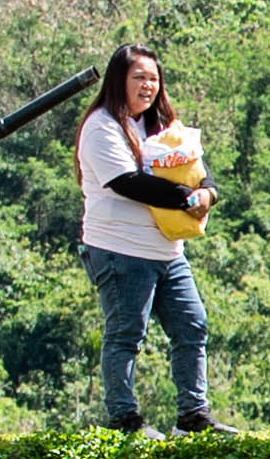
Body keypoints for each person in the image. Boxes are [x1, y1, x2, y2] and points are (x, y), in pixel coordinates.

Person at [72, 44, 216, 435]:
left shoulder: (159, 124)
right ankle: (125, 420)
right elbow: (127, 183)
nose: (148, 86)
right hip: (120, 248)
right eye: (139, 77)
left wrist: (208, 193)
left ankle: (193, 416)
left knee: (192, 325)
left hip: (168, 248)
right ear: (118, 80)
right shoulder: (101, 126)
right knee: (125, 333)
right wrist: (189, 199)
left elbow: (196, 167)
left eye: (154, 78)